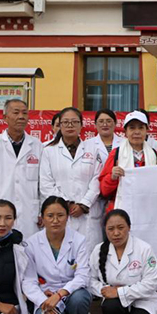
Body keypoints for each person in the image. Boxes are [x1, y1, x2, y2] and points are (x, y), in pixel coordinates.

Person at [22, 197, 92, 314]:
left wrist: (60, 294)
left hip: (72, 291)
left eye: (60, 215)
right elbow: (28, 281)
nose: (55, 220)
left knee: (79, 300)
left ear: (67, 217)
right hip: (46, 292)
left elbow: (82, 276)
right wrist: (42, 299)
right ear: (42, 218)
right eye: (50, 216)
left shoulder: (79, 240)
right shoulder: (31, 244)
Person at [89, 209, 157, 314]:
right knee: (109, 307)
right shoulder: (98, 250)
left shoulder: (144, 249)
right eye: (111, 229)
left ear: (129, 227)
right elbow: (90, 279)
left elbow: (150, 283)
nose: (116, 233)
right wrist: (105, 291)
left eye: (120, 227)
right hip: (114, 300)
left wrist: (119, 292)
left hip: (143, 299)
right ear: (105, 230)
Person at [0, 99, 43, 238]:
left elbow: (42, 184)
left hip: (29, 215)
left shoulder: (37, 146)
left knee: (29, 249)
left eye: (24, 113)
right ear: (5, 117)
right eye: (16, 112)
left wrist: (42, 211)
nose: (21, 117)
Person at [40, 107, 103, 254]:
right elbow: (46, 183)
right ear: (60, 125)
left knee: (88, 257)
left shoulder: (93, 149)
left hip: (87, 214)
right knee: (62, 256)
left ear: (81, 125)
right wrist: (66, 204)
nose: (70, 125)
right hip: (61, 212)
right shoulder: (48, 151)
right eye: (66, 122)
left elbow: (97, 179)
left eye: (74, 122)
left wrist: (84, 204)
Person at [99, 111, 157, 213]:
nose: (137, 132)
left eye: (141, 128)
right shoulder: (116, 154)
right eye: (132, 128)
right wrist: (112, 177)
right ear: (125, 132)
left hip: (149, 209)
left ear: (147, 130)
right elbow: (103, 190)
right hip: (122, 209)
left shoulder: (155, 155)